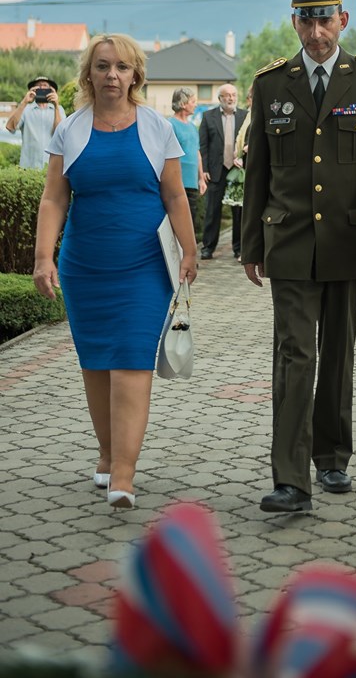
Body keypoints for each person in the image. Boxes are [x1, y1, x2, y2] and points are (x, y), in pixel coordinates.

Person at [242, 0, 356, 513]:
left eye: (325, 20)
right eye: (306, 21)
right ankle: (291, 480)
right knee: (295, 354)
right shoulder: (272, 84)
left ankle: (332, 456)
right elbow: (259, 169)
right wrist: (250, 245)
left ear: (343, 20)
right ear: (295, 23)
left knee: (337, 351)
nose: (316, 32)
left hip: (349, 240)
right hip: (288, 239)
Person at [33, 34, 198, 510]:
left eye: (122, 67)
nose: (112, 75)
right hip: (85, 267)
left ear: (135, 75)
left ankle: (124, 471)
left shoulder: (157, 128)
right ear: (89, 73)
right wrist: (43, 258)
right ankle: (107, 453)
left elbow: (174, 195)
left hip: (144, 266)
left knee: (130, 360)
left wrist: (189, 251)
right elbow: (54, 198)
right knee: (96, 364)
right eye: (103, 66)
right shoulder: (70, 130)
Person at [199, 84, 247, 260]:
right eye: (227, 95)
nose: (231, 98)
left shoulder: (245, 116)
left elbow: (250, 140)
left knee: (239, 212)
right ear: (220, 98)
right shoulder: (208, 116)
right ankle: (208, 248)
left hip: (237, 170)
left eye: (234, 95)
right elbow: (203, 146)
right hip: (215, 171)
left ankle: (239, 248)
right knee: (212, 211)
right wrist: (204, 169)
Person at [6, 76, 65, 169]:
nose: (42, 88)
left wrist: (56, 106)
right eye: (38, 86)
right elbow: (10, 127)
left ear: (51, 90)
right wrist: (24, 102)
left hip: (51, 167)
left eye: (45, 86)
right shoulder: (26, 109)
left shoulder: (59, 109)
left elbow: (60, 134)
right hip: (28, 167)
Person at [168, 87, 207, 228]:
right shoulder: (169, 125)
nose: (196, 105)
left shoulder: (192, 127)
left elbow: (197, 153)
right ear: (183, 103)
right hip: (176, 182)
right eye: (193, 101)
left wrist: (201, 178)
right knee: (176, 223)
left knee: (191, 222)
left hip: (192, 183)